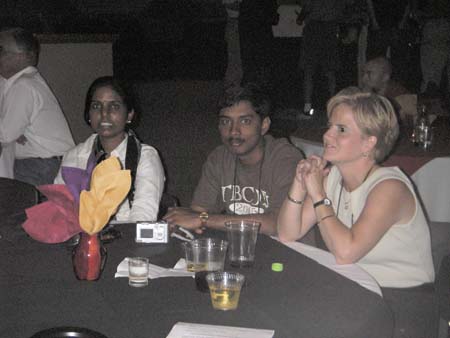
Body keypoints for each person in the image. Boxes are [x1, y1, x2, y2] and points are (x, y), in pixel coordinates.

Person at [278, 88, 434, 288]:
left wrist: (318, 195)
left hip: (403, 296)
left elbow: (345, 253)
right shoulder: (332, 177)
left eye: (341, 129)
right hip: (357, 285)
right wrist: (299, 184)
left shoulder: (390, 188)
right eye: (329, 126)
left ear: (368, 144)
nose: (327, 135)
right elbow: (287, 233)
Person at [163, 84, 303, 235]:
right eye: (226, 122)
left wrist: (203, 219)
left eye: (245, 121)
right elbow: (198, 211)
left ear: (264, 125)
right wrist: (181, 221)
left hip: (288, 250)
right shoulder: (219, 158)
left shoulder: (286, 159)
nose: (233, 131)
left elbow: (279, 223)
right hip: (241, 245)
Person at [54, 76, 165, 222]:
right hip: (79, 238)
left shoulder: (144, 157)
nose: (104, 114)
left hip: (128, 238)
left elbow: (142, 217)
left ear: (129, 114)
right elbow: (58, 208)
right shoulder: (74, 156)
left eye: (114, 106)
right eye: (96, 106)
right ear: (88, 115)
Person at [0, 27, 75, 185]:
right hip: (45, 164)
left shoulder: (23, 85)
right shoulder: (19, 82)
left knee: (12, 201)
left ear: (21, 56)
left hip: (40, 166)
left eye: (1, 50)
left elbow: (5, 135)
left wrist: (11, 132)